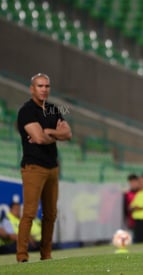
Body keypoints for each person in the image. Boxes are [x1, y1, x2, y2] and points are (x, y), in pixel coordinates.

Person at [16, 73, 72, 262]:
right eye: (40, 86)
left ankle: (46, 255)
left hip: (52, 167)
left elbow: (68, 133)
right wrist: (55, 135)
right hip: (33, 166)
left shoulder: (53, 109)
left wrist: (49, 131)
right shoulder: (26, 111)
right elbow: (38, 138)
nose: (44, 89)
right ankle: (22, 255)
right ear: (32, 88)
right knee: (30, 213)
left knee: (51, 214)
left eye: (47, 86)